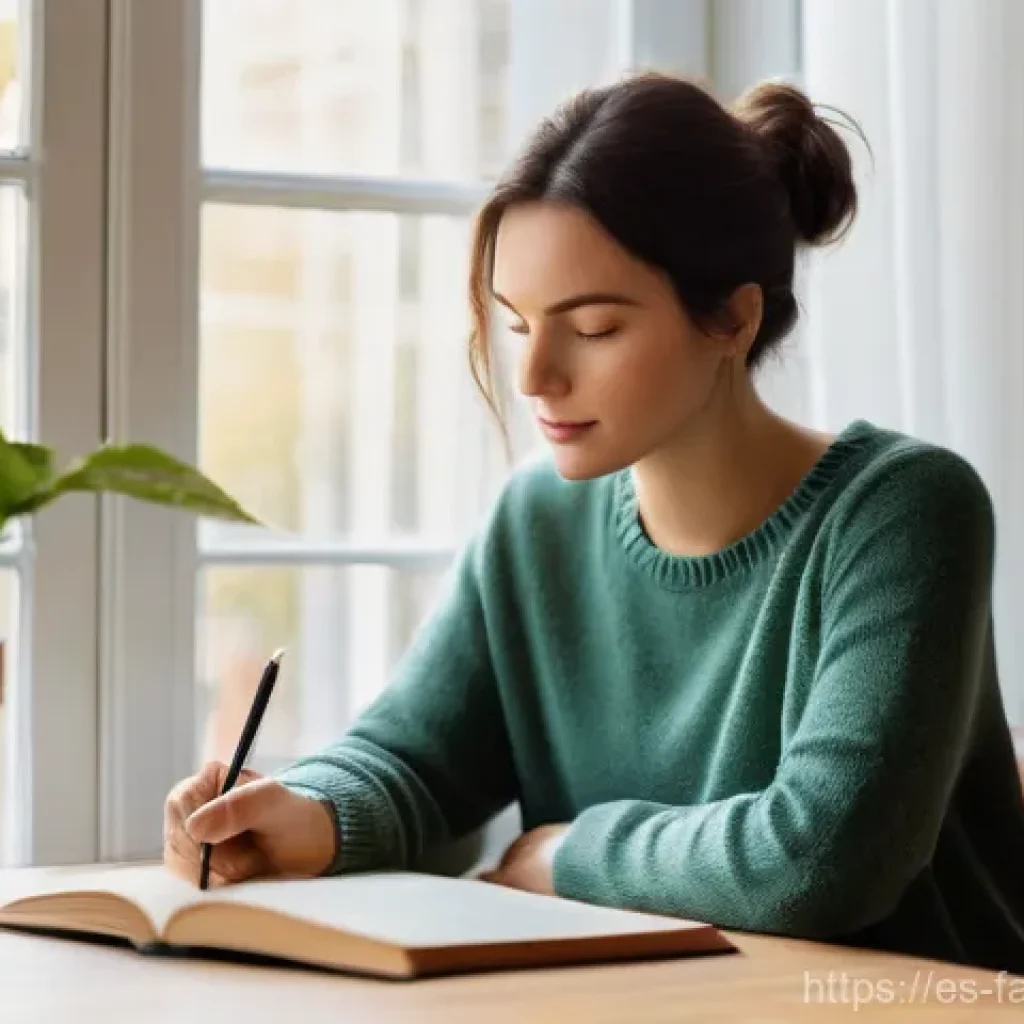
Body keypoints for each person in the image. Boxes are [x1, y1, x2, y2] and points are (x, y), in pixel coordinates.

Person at [164, 71, 1024, 972]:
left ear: (734, 316)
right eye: (517, 322)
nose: (535, 376)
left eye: (595, 327)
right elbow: (411, 760)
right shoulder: (535, 522)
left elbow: (821, 858)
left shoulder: (906, 510)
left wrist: (563, 856)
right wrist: (306, 814)